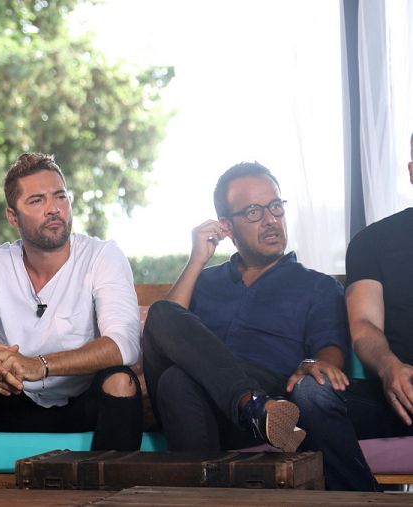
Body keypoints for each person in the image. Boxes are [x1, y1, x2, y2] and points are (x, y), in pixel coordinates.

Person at [141, 162, 378, 491]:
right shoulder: (204, 281)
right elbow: (162, 329)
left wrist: (318, 363)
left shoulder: (317, 285)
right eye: (253, 212)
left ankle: (251, 415)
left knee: (175, 380)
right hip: (212, 405)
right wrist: (197, 260)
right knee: (162, 315)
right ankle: (251, 405)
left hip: (269, 395)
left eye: (275, 207)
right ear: (227, 225)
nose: (270, 220)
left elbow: (330, 350)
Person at [0, 153, 143, 488]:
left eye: (60, 196)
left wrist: (40, 364)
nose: (54, 208)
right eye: (37, 200)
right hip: (12, 397)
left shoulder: (102, 255)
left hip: (82, 401)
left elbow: (123, 344)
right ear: (13, 216)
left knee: (121, 381)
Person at [345, 133, 413, 440]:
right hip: (400, 390)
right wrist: (389, 368)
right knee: (314, 399)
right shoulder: (371, 242)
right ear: (412, 173)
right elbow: (364, 324)